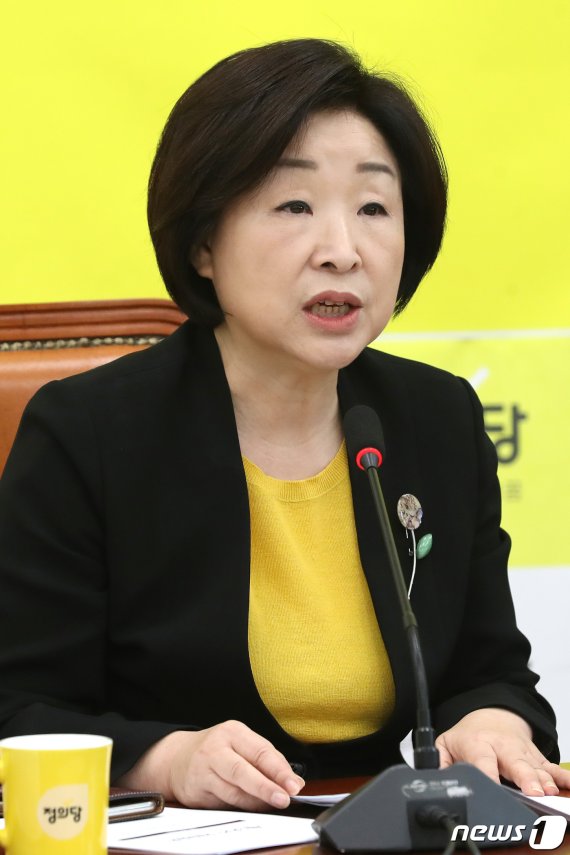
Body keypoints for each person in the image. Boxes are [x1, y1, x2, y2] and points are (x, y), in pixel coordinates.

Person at [0, 38, 568, 813]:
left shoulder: (437, 420)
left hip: (375, 826)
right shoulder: (88, 435)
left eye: (374, 208)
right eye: (295, 206)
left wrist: (494, 720)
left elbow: (491, 671)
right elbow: (17, 708)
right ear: (204, 243)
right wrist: (164, 759)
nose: (343, 251)